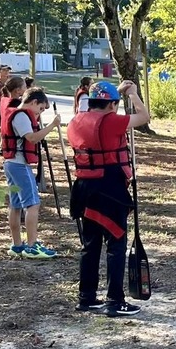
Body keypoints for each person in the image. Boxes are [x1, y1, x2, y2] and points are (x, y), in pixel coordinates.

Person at [68, 80, 150, 317]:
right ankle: (115, 301)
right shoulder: (112, 120)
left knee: (90, 245)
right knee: (116, 244)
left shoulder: (76, 120)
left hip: (84, 189)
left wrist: (116, 92)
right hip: (109, 189)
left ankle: (87, 298)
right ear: (112, 105)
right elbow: (144, 117)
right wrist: (133, 95)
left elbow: (100, 105)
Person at [1, 87, 61, 259]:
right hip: (19, 165)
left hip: (11, 163)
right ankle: (32, 245)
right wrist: (53, 125)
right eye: (40, 108)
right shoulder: (21, 116)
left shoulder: (15, 113)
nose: (40, 112)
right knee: (32, 203)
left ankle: (17, 244)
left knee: (16, 204)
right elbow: (32, 138)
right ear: (34, 102)